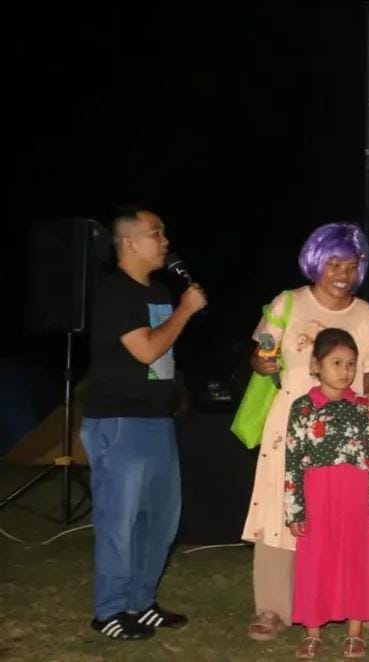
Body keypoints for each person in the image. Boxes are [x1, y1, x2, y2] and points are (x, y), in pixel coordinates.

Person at [242, 223, 369, 641]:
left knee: (350, 516)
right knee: (280, 508)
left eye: (352, 264)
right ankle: (272, 607)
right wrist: (262, 363)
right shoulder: (288, 303)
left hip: (346, 431)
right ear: (316, 262)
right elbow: (261, 355)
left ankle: (362, 602)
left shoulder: (365, 314)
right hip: (290, 424)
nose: (343, 273)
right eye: (334, 263)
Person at [82, 204, 207, 639]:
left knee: (161, 520)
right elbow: (147, 350)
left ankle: (140, 601)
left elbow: (163, 358)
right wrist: (186, 310)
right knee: (119, 521)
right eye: (157, 232)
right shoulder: (114, 292)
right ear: (129, 242)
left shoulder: (157, 291)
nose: (165, 241)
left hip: (157, 420)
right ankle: (109, 611)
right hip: (119, 421)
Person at [284, 328, 369, 659]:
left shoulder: (363, 407)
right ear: (316, 365)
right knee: (315, 560)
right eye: (337, 362)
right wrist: (295, 510)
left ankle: (355, 633)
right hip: (317, 494)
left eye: (351, 363)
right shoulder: (303, 407)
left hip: (354, 493)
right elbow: (292, 460)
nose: (345, 371)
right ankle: (312, 631)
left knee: (356, 558)